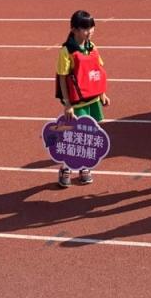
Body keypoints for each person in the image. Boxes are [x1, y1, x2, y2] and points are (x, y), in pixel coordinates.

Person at [55, 10, 110, 188]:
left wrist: (102, 93)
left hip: (92, 100)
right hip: (77, 102)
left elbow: (97, 70)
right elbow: (62, 77)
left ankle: (84, 166)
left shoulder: (92, 47)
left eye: (91, 27)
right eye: (85, 29)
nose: (89, 31)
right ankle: (65, 168)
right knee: (75, 135)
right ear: (74, 29)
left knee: (90, 134)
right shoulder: (66, 51)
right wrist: (67, 104)